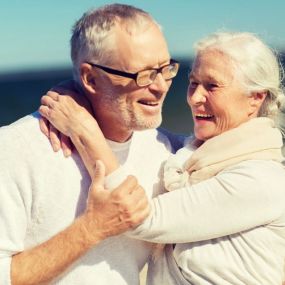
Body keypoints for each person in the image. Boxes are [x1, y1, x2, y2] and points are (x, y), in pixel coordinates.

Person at [40, 32, 285, 284]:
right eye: (193, 83)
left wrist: (83, 130)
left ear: (255, 98)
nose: (194, 97)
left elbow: (140, 218)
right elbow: (138, 137)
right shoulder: (192, 157)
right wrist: (84, 93)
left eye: (212, 86)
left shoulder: (262, 180)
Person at [0, 4, 181, 285]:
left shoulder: (166, 150)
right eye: (143, 75)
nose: (160, 86)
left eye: (165, 68)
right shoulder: (16, 149)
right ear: (90, 78)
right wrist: (91, 228)